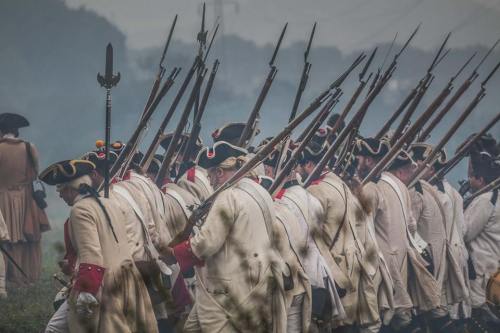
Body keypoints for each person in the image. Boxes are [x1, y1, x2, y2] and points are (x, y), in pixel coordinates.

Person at [168, 141, 288, 332]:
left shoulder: (228, 196)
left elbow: (207, 243)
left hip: (227, 291)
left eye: (211, 176)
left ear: (219, 172)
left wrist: (175, 253)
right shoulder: (260, 191)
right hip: (256, 281)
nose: (211, 182)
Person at [40, 159, 158, 332]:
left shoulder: (80, 210)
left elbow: (91, 254)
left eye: (61, 189)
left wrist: (86, 291)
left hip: (102, 284)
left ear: (70, 188)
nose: (59, 195)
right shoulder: (108, 203)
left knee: (54, 329)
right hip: (129, 279)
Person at [355, 137, 440, 332]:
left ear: (369, 160)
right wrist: (421, 250)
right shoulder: (401, 186)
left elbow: (363, 231)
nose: (357, 163)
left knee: (373, 320)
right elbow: (411, 227)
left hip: (379, 265)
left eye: (360, 159)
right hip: (400, 260)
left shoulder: (372, 188)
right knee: (398, 317)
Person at [299, 141, 375, 332]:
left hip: (333, 267)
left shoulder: (315, 190)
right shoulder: (339, 184)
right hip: (351, 263)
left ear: (309, 165)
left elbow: (311, 239)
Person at [0, 112, 50, 287]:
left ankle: (7, 277)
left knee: (6, 238)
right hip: (26, 199)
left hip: (2, 199)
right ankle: (27, 277)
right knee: (27, 238)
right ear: (16, 131)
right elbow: (35, 172)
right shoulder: (29, 148)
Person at [464, 150, 500, 332]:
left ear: (480, 179)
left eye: (472, 177)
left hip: (479, 270)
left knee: (478, 319)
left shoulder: (485, 200)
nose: (469, 181)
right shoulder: (496, 198)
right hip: (490, 266)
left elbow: (466, 232)